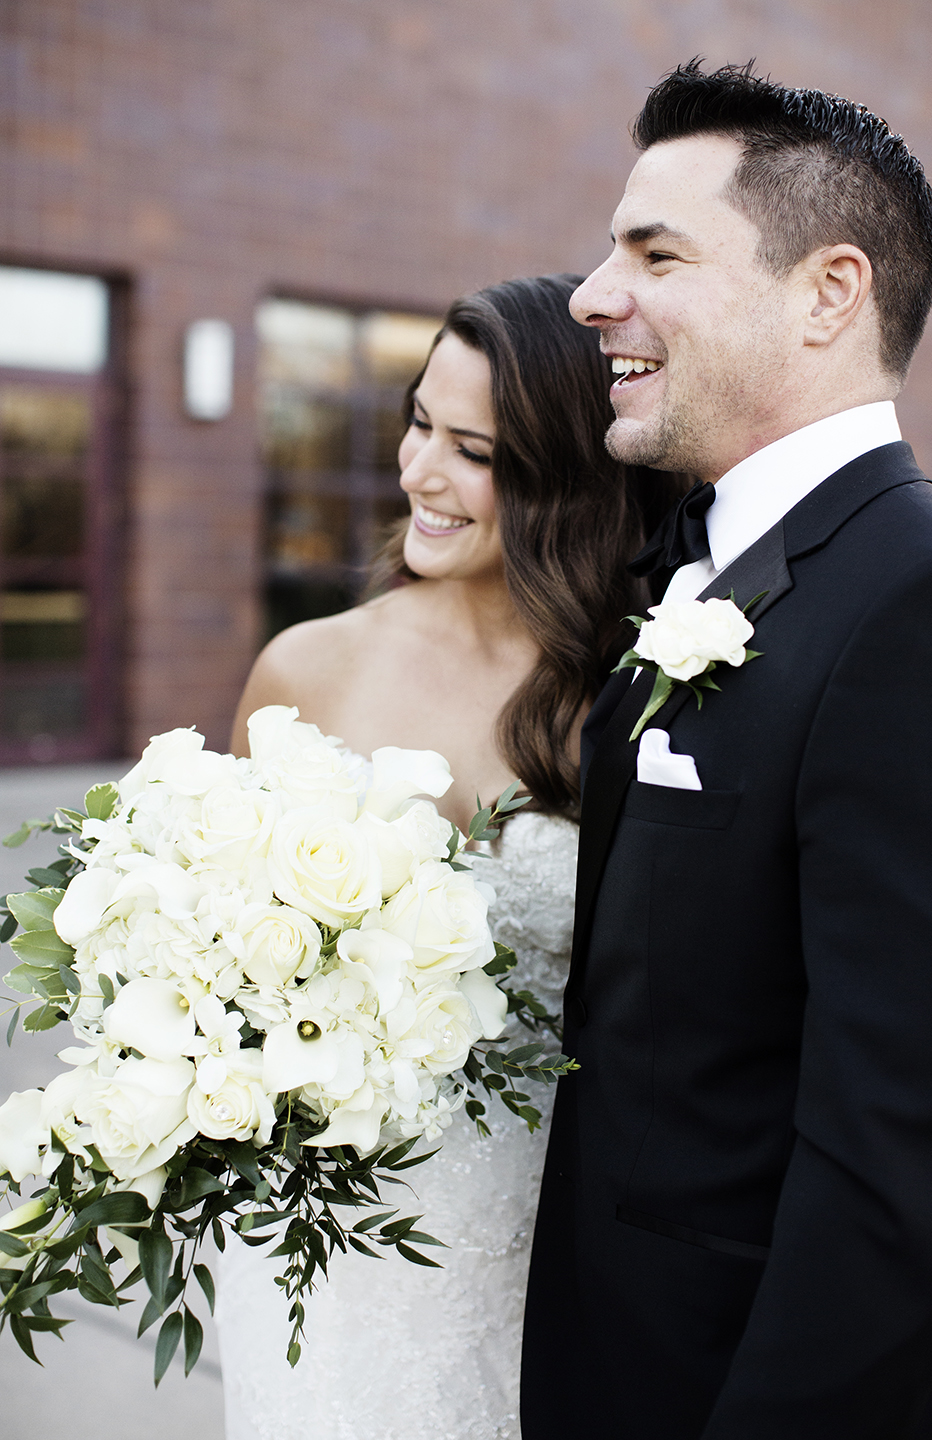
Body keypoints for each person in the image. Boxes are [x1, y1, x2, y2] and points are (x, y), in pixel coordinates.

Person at [521, 60, 932, 1440]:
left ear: (830, 293)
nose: (595, 295)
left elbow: (902, 1152)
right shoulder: (699, 565)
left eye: (655, 252)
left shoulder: (918, 602)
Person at [214, 273, 679, 1440]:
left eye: (473, 449)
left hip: (549, 1248)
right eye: (420, 422)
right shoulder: (306, 669)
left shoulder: (643, 694)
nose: (421, 473)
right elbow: (217, 969)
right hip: (324, 1252)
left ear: (569, 475)